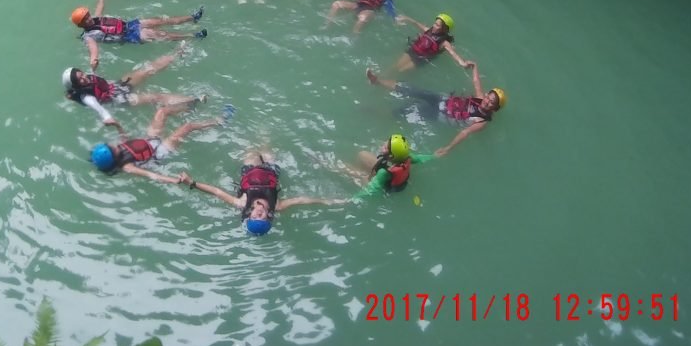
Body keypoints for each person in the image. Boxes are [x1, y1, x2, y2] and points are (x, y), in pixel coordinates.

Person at [178, 149, 347, 235]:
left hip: (249, 170)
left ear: (249, 215)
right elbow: (302, 200)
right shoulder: (277, 206)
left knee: (253, 152)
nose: (258, 212)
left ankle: (260, 136)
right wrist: (327, 201)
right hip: (271, 171)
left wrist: (191, 182)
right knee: (267, 151)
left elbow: (216, 191)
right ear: (268, 217)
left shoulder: (242, 203)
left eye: (254, 216)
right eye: (261, 216)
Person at [366, 63, 507, 156]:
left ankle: (377, 113)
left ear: (495, 108)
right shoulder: (481, 97)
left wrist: (448, 148)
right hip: (442, 99)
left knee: (405, 112)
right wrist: (474, 66)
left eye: (491, 103)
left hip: (439, 114)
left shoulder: (482, 121)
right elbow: (476, 82)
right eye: (489, 97)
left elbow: (465, 132)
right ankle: (377, 81)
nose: (487, 102)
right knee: (414, 90)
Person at [62, 45, 203, 131]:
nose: (84, 78)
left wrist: (94, 60)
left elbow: (95, 76)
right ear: (76, 86)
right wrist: (108, 119)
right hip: (120, 99)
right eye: (80, 79)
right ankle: (193, 102)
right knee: (154, 97)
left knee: (147, 69)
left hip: (116, 86)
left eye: (82, 74)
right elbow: (100, 110)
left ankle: (177, 54)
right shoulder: (87, 98)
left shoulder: (86, 78)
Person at [88, 104, 233, 183]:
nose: (113, 145)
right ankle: (220, 121)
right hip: (159, 152)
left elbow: (126, 141)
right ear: (113, 157)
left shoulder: (118, 150)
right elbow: (151, 175)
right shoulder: (128, 167)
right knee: (187, 127)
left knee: (162, 111)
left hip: (149, 140)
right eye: (111, 149)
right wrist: (174, 180)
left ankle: (193, 104)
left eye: (109, 146)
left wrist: (117, 125)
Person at [70, 0, 207, 70]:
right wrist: (94, 62)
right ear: (81, 25)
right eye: (85, 19)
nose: (89, 18)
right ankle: (193, 36)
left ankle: (192, 17)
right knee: (160, 34)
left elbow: (100, 8)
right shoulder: (89, 37)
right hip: (129, 36)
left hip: (129, 25)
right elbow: (93, 50)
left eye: (87, 15)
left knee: (161, 21)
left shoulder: (94, 19)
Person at [341, 134, 435, 200]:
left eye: (385, 148)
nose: (382, 147)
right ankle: (361, 170)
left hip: (383, 188)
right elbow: (420, 158)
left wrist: (346, 200)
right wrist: (434, 155)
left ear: (391, 156)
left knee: (343, 167)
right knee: (362, 154)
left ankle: (360, 172)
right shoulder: (406, 157)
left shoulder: (383, 173)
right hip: (399, 183)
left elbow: (370, 190)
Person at [388, 12, 467, 72]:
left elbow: (453, 53)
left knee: (402, 71)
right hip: (413, 50)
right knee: (395, 66)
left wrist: (462, 62)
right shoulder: (428, 30)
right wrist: (406, 18)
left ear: (444, 29)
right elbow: (416, 23)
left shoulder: (444, 42)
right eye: (435, 23)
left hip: (421, 59)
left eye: (437, 25)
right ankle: (384, 76)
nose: (434, 26)